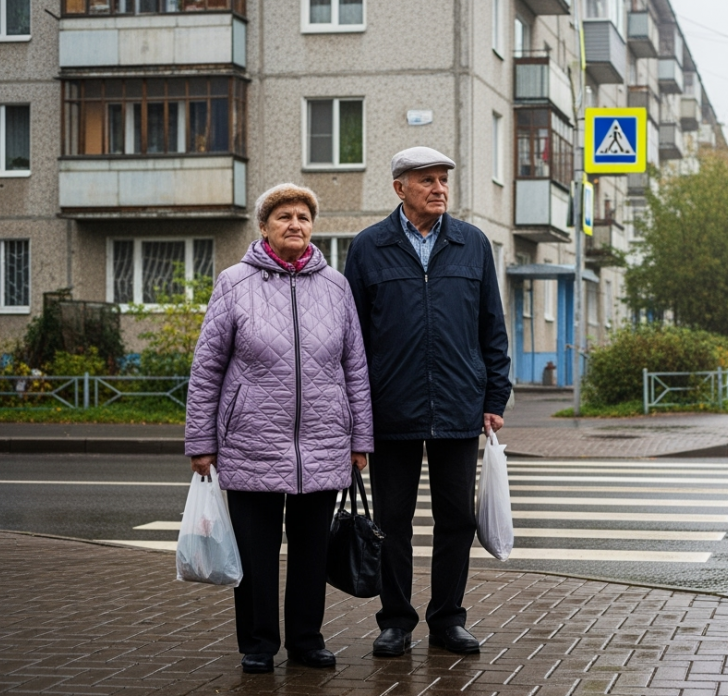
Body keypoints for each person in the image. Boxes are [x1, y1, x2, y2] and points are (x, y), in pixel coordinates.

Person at [184, 183, 374, 675]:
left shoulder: (336, 285)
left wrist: (361, 439)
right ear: (264, 226)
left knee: (312, 552)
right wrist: (201, 441)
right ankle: (259, 643)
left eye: (304, 217)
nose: (295, 224)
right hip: (250, 440)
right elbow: (207, 367)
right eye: (284, 216)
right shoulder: (234, 282)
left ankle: (308, 641)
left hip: (324, 440)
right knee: (256, 553)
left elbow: (355, 365)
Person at [344, 146, 512, 658]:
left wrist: (494, 395)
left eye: (443, 180)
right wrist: (357, 412)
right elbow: (352, 338)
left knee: (456, 519)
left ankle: (448, 619)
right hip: (390, 407)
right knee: (393, 522)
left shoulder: (473, 244)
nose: (439, 188)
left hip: (460, 405)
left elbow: (492, 327)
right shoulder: (369, 247)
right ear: (400, 188)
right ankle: (395, 621)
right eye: (427, 181)